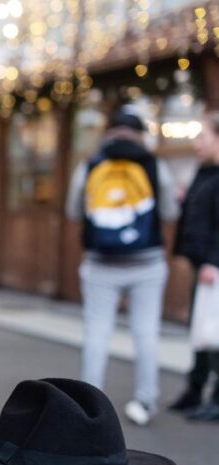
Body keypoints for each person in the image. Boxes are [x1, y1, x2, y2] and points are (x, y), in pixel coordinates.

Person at [65, 107, 180, 426]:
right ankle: (145, 401)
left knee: (97, 333)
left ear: (109, 131)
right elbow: (169, 211)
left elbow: (74, 210)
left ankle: (91, 406)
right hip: (148, 261)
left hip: (101, 263)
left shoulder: (90, 164)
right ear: (140, 133)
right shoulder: (154, 164)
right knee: (146, 332)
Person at [171, 111, 219, 421]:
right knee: (201, 331)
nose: (195, 142)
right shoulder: (205, 172)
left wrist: (215, 260)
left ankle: (215, 396)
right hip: (202, 261)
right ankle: (196, 387)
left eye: (202, 136)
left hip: (213, 266)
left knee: (214, 332)